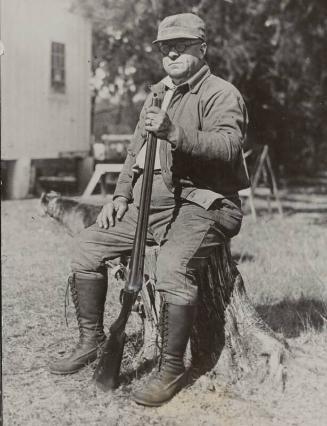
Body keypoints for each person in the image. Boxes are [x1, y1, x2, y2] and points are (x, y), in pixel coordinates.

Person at [50, 13, 249, 407]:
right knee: (86, 248)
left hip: (203, 201)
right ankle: (92, 339)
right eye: (164, 47)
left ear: (202, 49)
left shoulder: (221, 93)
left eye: (181, 45)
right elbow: (134, 152)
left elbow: (229, 147)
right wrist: (121, 195)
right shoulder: (158, 93)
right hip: (148, 203)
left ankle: (171, 367)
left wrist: (175, 132)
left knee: (171, 267)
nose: (171, 52)